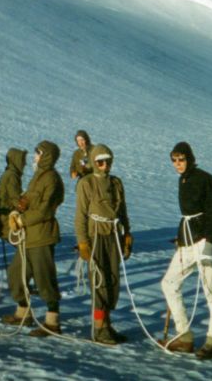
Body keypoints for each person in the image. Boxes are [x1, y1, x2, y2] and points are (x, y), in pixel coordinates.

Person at [160, 142, 212, 360]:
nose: (178, 164)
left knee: (211, 292)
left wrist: (209, 241)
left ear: (190, 158)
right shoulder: (183, 179)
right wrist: (181, 237)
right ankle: (184, 335)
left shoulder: (203, 178)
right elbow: (188, 216)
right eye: (174, 160)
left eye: (182, 159)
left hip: (205, 240)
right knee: (169, 283)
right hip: (187, 241)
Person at [3, 141, 64, 336]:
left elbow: (45, 210)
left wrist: (22, 220)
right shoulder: (38, 176)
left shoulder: (52, 179)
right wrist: (17, 209)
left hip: (42, 237)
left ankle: (52, 322)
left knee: (44, 279)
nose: (34, 156)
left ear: (46, 156)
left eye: (38, 153)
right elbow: (28, 198)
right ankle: (23, 313)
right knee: (16, 274)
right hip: (27, 237)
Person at [75, 143, 132, 345]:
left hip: (114, 234)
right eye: (100, 162)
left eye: (107, 161)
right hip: (96, 236)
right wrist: (83, 242)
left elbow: (122, 210)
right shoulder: (86, 183)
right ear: (93, 162)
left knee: (112, 280)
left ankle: (107, 324)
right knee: (99, 283)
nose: (104, 165)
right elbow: (80, 216)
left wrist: (127, 235)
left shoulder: (116, 183)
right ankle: (99, 328)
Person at [0, 148, 28, 241]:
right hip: (6, 222)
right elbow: (16, 200)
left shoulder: (9, 174)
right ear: (16, 161)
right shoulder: (12, 176)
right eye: (22, 160)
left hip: (1, 220)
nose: (25, 163)